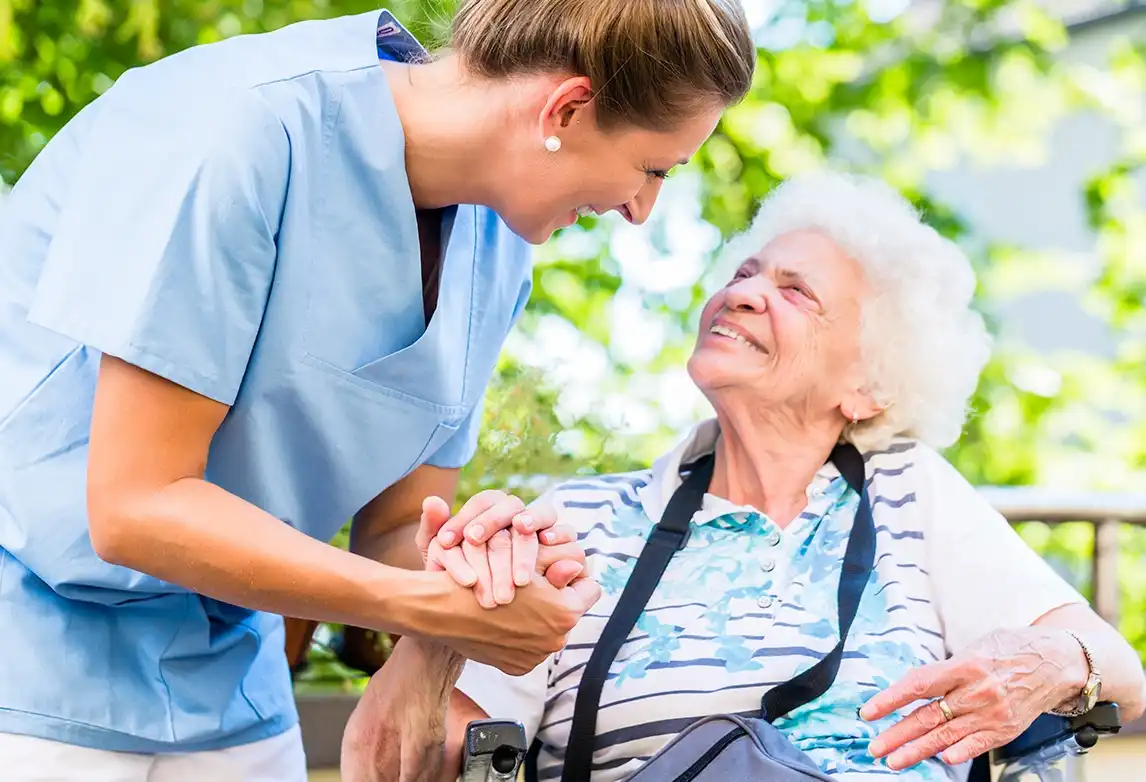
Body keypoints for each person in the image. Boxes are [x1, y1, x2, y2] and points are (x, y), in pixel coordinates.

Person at [0, 1, 757, 779]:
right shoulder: (235, 128)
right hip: (30, 667)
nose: (641, 210)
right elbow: (135, 507)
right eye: (653, 167)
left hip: (231, 690)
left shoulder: (496, 248)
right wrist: (426, 609)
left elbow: (395, 528)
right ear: (564, 108)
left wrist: (483, 575)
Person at [364, 171, 1146, 782]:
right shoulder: (578, 521)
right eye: (745, 272)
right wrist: (440, 631)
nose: (741, 292)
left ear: (868, 387)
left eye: (795, 293)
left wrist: (1047, 664)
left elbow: (1118, 671)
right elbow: (408, 768)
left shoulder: (910, 493)